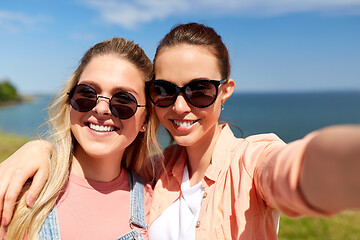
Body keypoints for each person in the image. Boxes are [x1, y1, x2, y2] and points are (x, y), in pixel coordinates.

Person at [1, 23, 360, 239]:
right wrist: (43, 149)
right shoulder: (155, 176)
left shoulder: (250, 163)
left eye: (199, 90)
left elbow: (293, 170)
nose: (181, 106)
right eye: (165, 91)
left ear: (225, 91)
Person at [0, 37, 162, 239]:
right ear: (70, 101)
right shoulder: (19, 190)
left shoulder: (157, 208)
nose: (101, 109)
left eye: (123, 100)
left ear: (145, 119)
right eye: (87, 93)